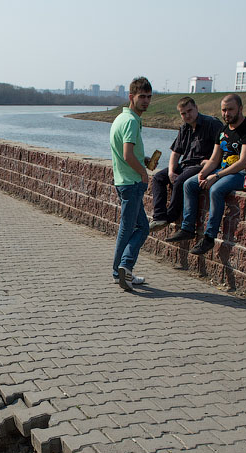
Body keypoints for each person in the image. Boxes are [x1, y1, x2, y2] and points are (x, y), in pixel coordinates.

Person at [166, 94, 246, 255]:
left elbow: (243, 162)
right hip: (224, 171)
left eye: (230, 109)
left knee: (216, 190)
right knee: (190, 184)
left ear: (240, 108)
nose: (226, 114)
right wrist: (203, 173)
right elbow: (214, 159)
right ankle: (187, 228)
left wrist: (216, 177)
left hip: (245, 175)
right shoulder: (223, 130)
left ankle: (209, 237)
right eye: (224, 110)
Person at [149, 97, 222, 232]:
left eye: (189, 111)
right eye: (183, 113)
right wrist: (171, 171)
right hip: (185, 164)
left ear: (196, 108)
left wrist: (213, 161)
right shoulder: (184, 128)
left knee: (180, 182)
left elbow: (224, 146)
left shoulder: (212, 124)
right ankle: (159, 217)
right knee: (158, 177)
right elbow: (175, 153)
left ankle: (170, 217)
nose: (187, 115)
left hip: (201, 165)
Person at [109, 76, 153, 291]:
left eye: (148, 97)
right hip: (131, 183)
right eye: (141, 97)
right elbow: (127, 154)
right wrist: (143, 172)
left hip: (123, 180)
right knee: (138, 228)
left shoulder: (120, 118)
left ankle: (121, 271)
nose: (145, 101)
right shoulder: (131, 121)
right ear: (131, 97)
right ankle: (123, 267)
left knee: (131, 228)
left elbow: (125, 152)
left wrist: (142, 159)